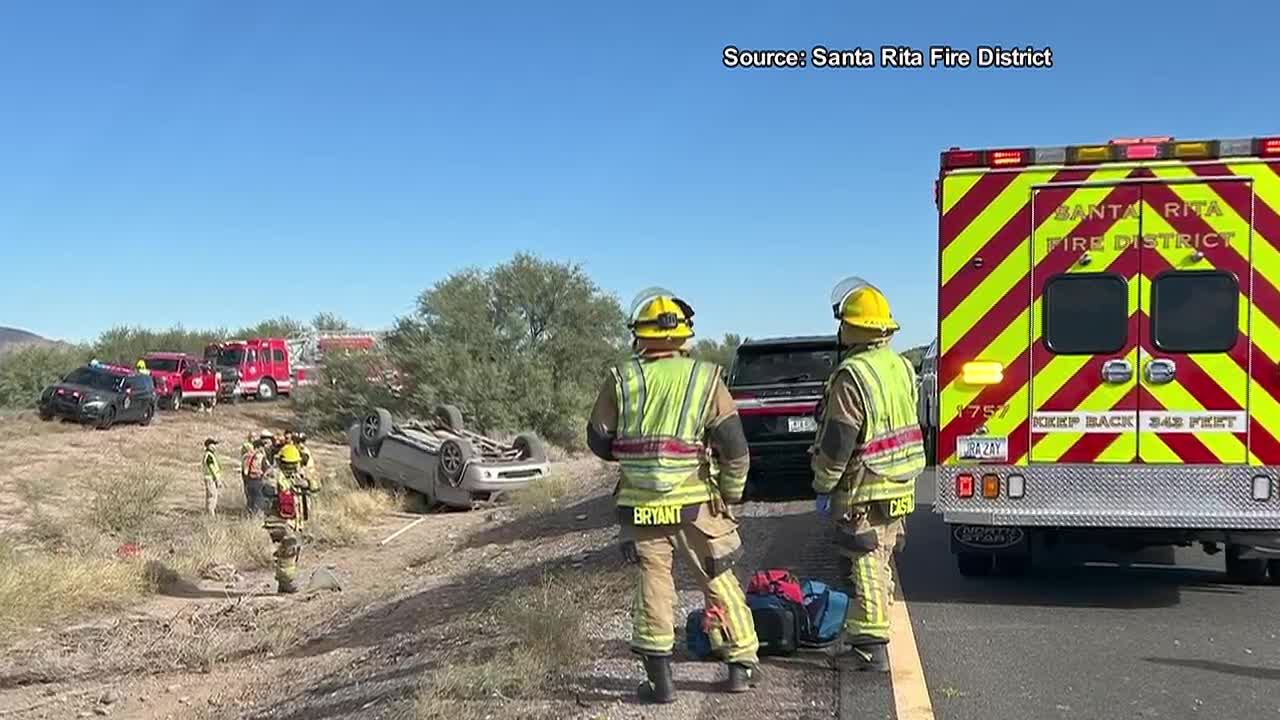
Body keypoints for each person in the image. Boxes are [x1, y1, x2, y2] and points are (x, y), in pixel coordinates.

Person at [586, 287, 760, 704]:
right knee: (718, 577)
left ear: (639, 335)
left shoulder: (621, 379)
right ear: (684, 335)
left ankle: (659, 679)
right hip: (695, 505)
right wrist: (731, 493)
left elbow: (597, 438)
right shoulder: (705, 378)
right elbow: (734, 445)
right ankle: (739, 667)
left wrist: (634, 456)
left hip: (641, 507)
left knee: (653, 585)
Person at [810, 277, 926, 673]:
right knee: (882, 556)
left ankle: (869, 647)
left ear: (852, 328)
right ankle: (875, 630)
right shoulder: (901, 367)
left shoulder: (851, 375)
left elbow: (839, 438)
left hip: (867, 482)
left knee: (865, 561)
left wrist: (824, 483)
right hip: (902, 478)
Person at [261, 443, 318, 594]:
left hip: (295, 520)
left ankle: (283, 583)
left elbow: (316, 486)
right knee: (289, 546)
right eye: (289, 464)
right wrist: (284, 487)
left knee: (294, 550)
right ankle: (287, 583)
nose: (292, 468)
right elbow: (267, 488)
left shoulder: (298, 474)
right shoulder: (274, 473)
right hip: (277, 519)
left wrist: (305, 483)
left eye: (294, 464)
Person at [244, 431, 273, 513]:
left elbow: (244, 469)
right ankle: (255, 516)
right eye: (262, 447)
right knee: (258, 498)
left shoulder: (247, 455)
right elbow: (266, 468)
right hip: (257, 479)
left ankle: (249, 514)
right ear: (259, 447)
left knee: (250, 498)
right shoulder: (260, 457)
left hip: (248, 480)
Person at [202, 438, 222, 517]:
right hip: (211, 478)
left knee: (210, 496)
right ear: (208, 445)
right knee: (212, 496)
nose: (214, 447)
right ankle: (211, 515)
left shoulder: (209, 454)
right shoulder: (209, 455)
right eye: (213, 444)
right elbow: (212, 468)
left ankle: (209, 514)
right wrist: (217, 479)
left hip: (210, 477)